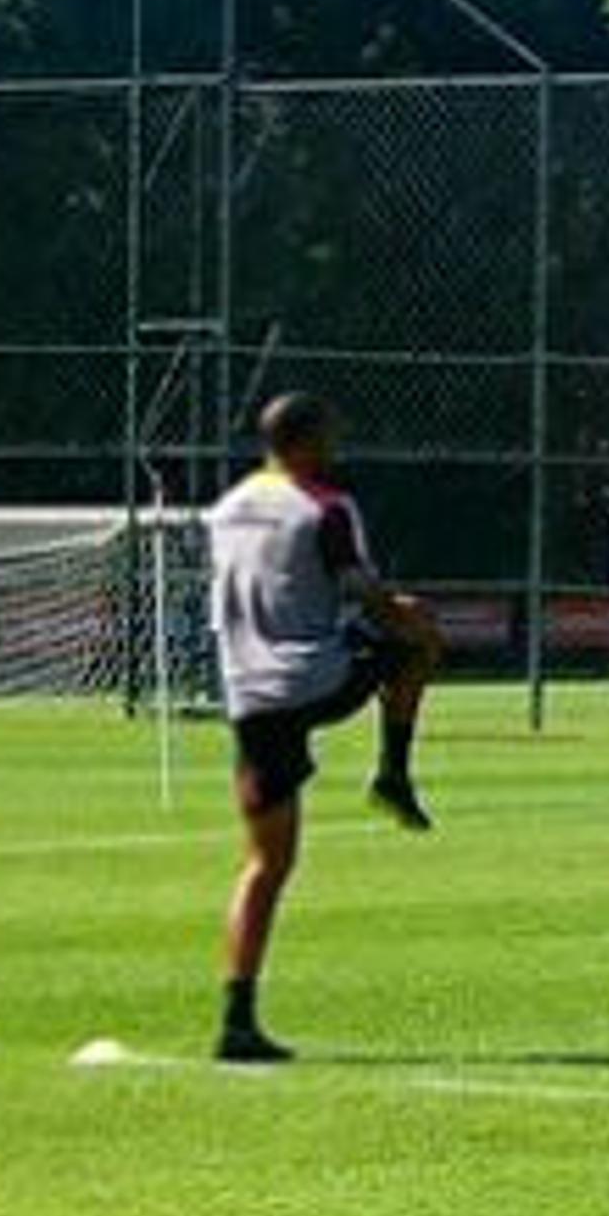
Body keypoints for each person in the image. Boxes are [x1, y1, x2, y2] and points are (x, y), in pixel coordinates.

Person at [200, 392, 445, 1063]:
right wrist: (408, 613)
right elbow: (361, 590)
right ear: (308, 441)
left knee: (264, 865)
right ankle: (394, 770)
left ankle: (236, 1018)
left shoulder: (226, 508)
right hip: (314, 675)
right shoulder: (325, 506)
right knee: (416, 640)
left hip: (248, 696)